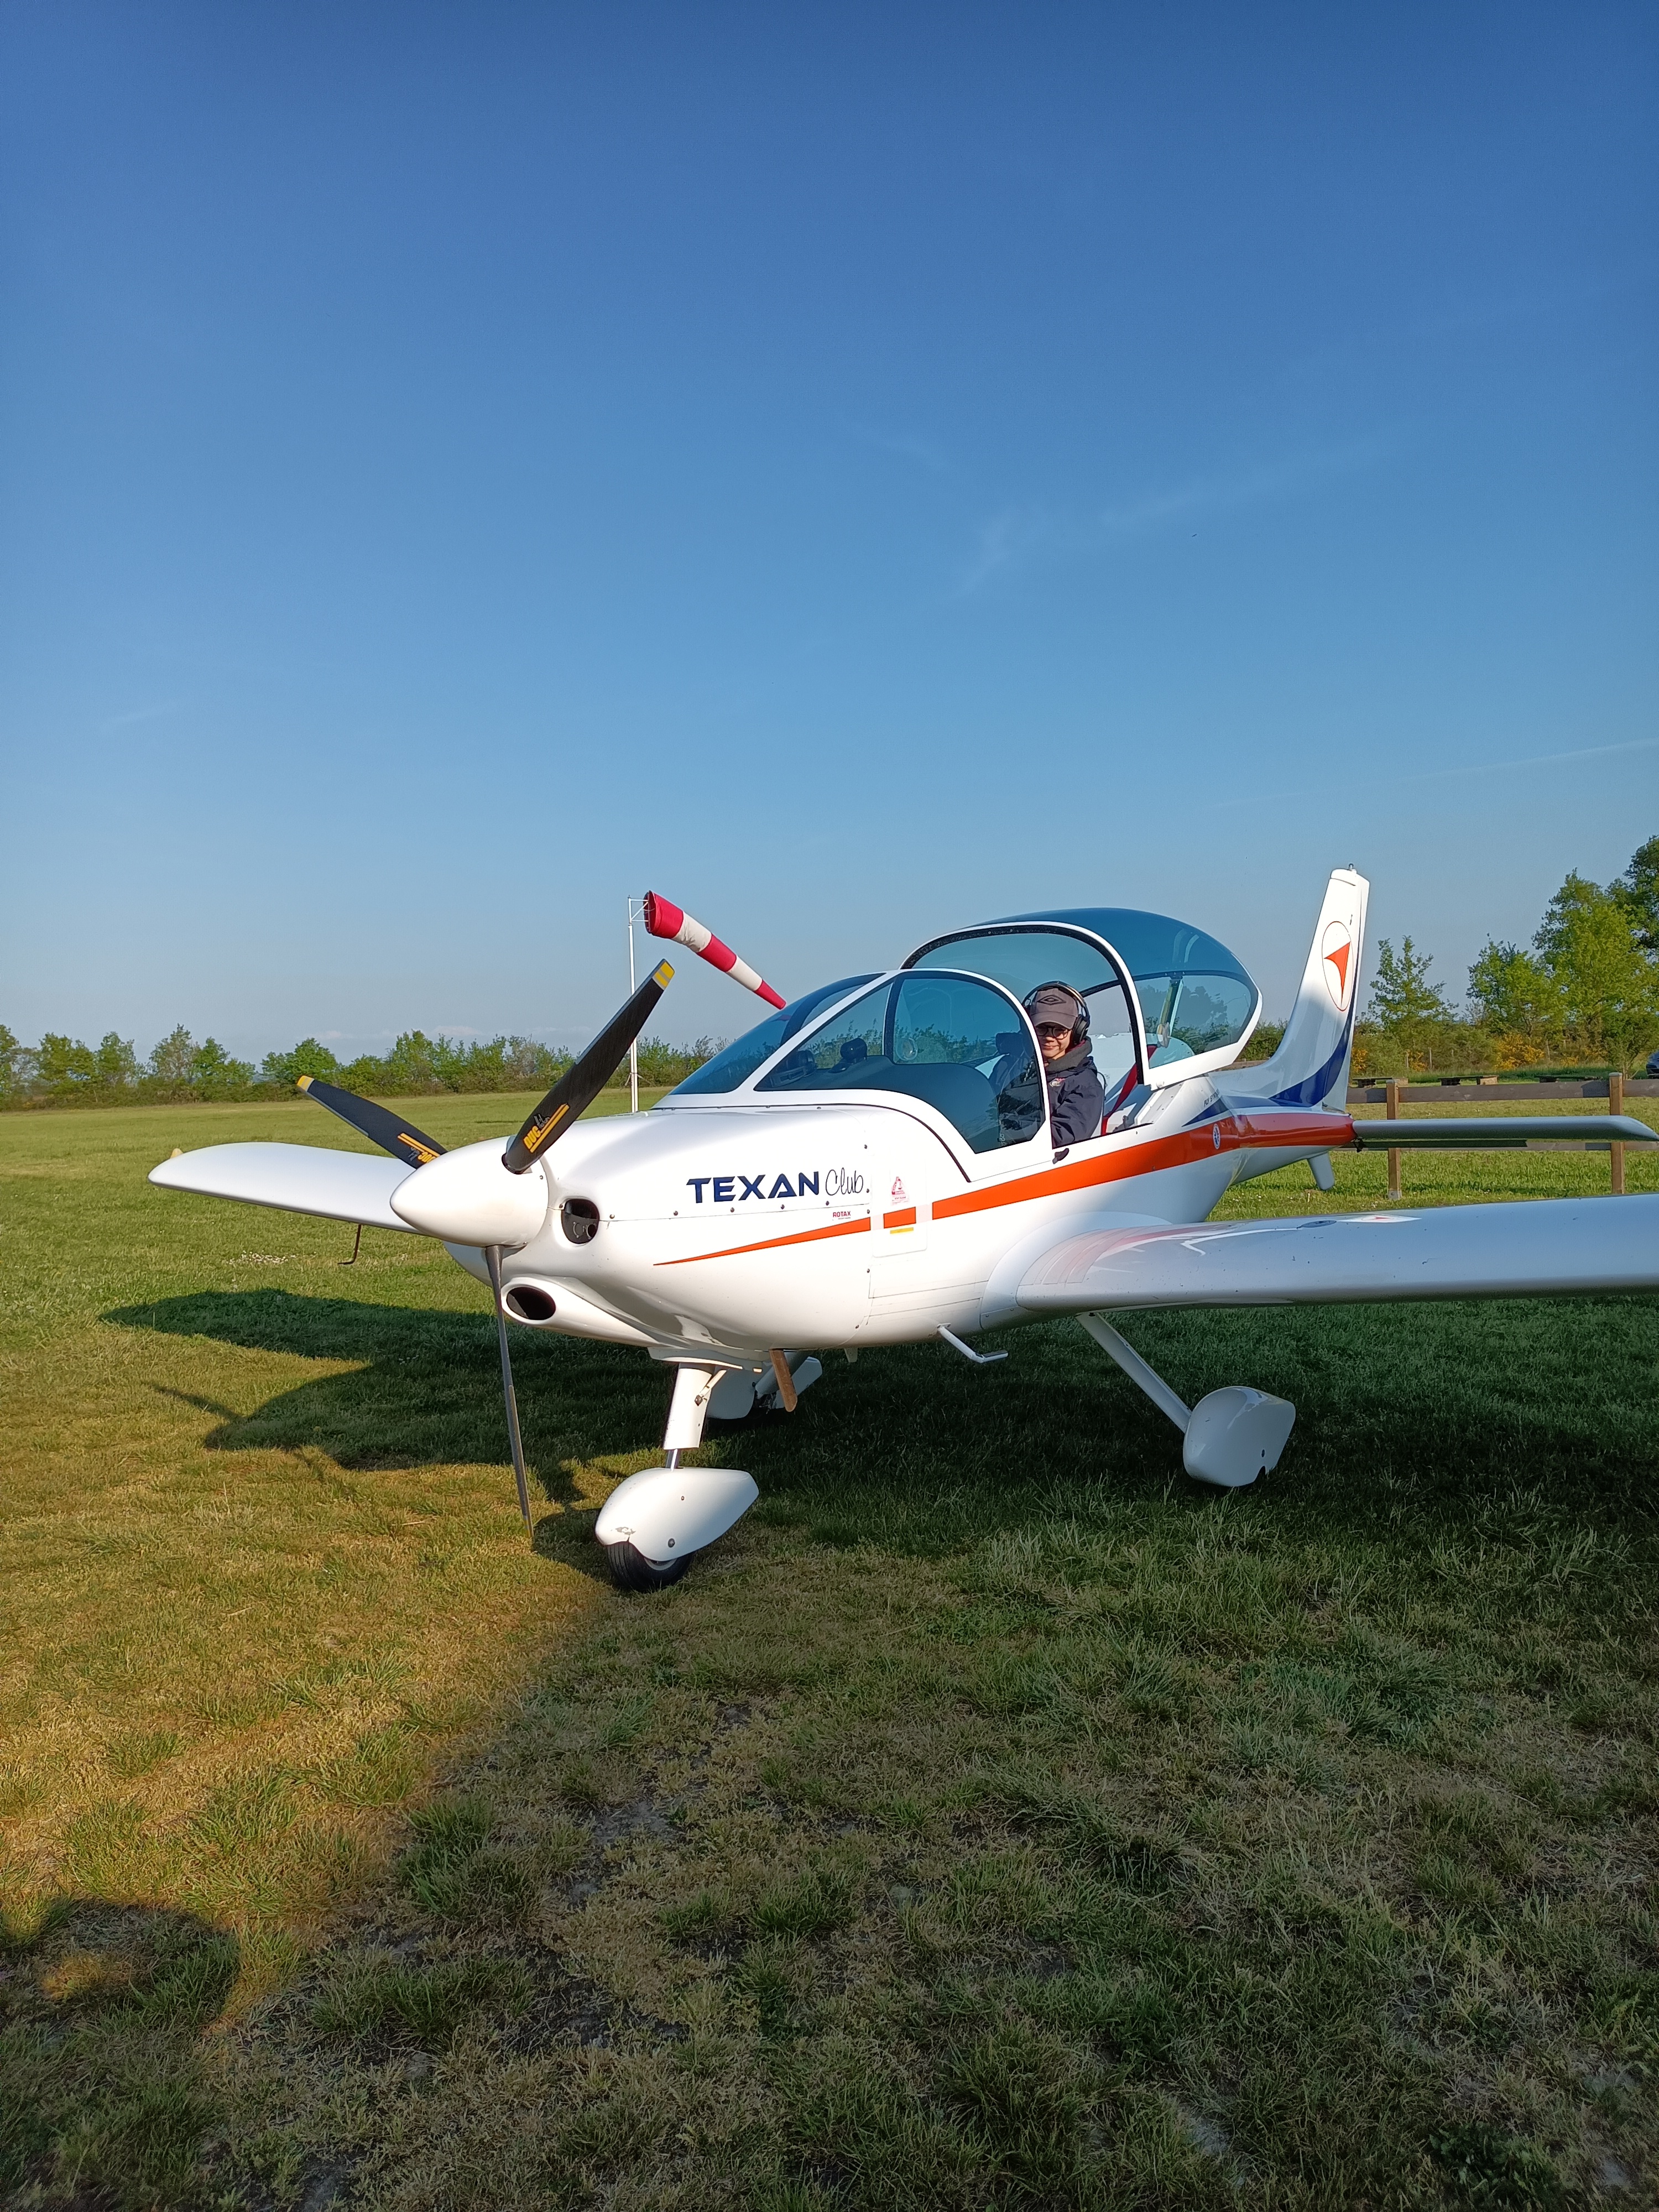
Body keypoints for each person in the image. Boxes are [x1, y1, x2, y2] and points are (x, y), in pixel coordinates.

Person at [992, 983, 1107, 1145]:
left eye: (1060, 1030)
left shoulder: (1085, 1086)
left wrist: (1004, 1136)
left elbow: (1059, 1138)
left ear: (1077, 1031)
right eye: (1041, 1028)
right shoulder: (1008, 1066)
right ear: (1028, 1029)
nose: (1049, 1037)